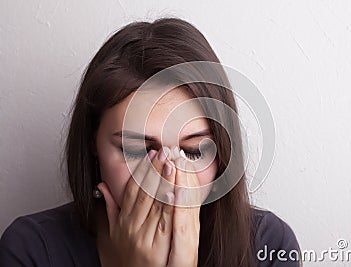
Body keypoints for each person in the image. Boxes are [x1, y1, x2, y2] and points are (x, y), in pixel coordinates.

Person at [0, 17, 301, 266]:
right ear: (94, 143)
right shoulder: (31, 250)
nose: (166, 175)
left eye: (193, 150)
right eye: (137, 149)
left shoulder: (269, 245)